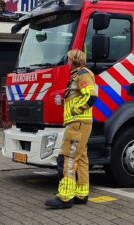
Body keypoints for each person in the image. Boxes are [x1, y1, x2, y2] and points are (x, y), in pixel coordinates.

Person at [46, 49, 96, 209]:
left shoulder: (83, 74)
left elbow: (91, 96)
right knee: (80, 158)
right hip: (79, 123)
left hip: (77, 123)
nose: (66, 63)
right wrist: (64, 102)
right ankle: (81, 194)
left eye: (68, 60)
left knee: (68, 158)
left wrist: (75, 110)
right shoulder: (78, 75)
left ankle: (65, 197)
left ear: (74, 60)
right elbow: (80, 96)